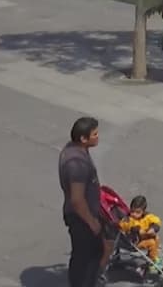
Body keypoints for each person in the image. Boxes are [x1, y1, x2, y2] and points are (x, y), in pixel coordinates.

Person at [58, 116, 109, 287]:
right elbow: (77, 199)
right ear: (83, 138)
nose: (98, 136)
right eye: (94, 134)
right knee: (86, 259)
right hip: (82, 218)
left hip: (84, 214)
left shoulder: (73, 149)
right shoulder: (77, 164)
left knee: (88, 254)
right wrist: (93, 223)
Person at [119, 195, 163, 268]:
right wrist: (137, 230)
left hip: (142, 238)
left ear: (143, 211)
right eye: (132, 211)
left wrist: (153, 228)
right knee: (151, 243)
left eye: (138, 212)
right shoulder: (128, 219)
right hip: (134, 242)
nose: (134, 214)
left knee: (156, 238)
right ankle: (153, 261)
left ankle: (153, 254)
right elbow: (125, 225)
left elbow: (156, 221)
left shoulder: (147, 216)